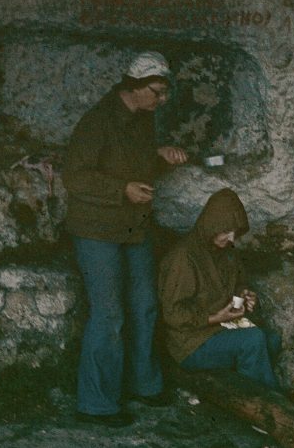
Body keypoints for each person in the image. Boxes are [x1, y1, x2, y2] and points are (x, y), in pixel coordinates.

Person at [63, 51, 188, 427]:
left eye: (165, 93)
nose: (162, 100)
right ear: (134, 87)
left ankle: (143, 385)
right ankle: (96, 404)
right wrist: (122, 190)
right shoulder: (97, 121)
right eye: (157, 92)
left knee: (145, 305)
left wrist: (160, 155)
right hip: (97, 229)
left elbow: (134, 162)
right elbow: (75, 177)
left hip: (134, 226)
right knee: (109, 313)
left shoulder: (143, 119)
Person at [158, 188, 280, 389]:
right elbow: (172, 314)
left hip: (220, 329)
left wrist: (244, 294)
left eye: (235, 233)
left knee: (272, 340)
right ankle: (265, 407)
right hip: (191, 343)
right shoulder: (184, 258)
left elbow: (239, 282)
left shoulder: (225, 250)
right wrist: (215, 318)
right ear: (210, 227)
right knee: (253, 341)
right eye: (225, 231)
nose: (231, 239)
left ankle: (239, 390)